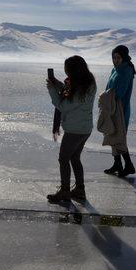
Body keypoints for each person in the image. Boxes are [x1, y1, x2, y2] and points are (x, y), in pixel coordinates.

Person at [46, 56, 97, 203]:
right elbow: (69, 93)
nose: (66, 72)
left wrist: (51, 90)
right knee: (74, 158)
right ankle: (79, 189)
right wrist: (57, 84)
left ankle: (65, 191)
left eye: (67, 69)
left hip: (75, 130)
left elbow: (63, 105)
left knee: (64, 159)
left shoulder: (81, 89)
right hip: (84, 128)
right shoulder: (86, 83)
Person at [104, 45, 136, 177]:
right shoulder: (115, 69)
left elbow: (119, 93)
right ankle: (117, 163)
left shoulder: (126, 70)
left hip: (120, 109)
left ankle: (129, 165)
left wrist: (105, 97)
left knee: (119, 137)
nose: (115, 60)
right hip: (111, 107)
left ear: (124, 57)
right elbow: (108, 87)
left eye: (118, 57)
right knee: (112, 134)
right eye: (113, 57)